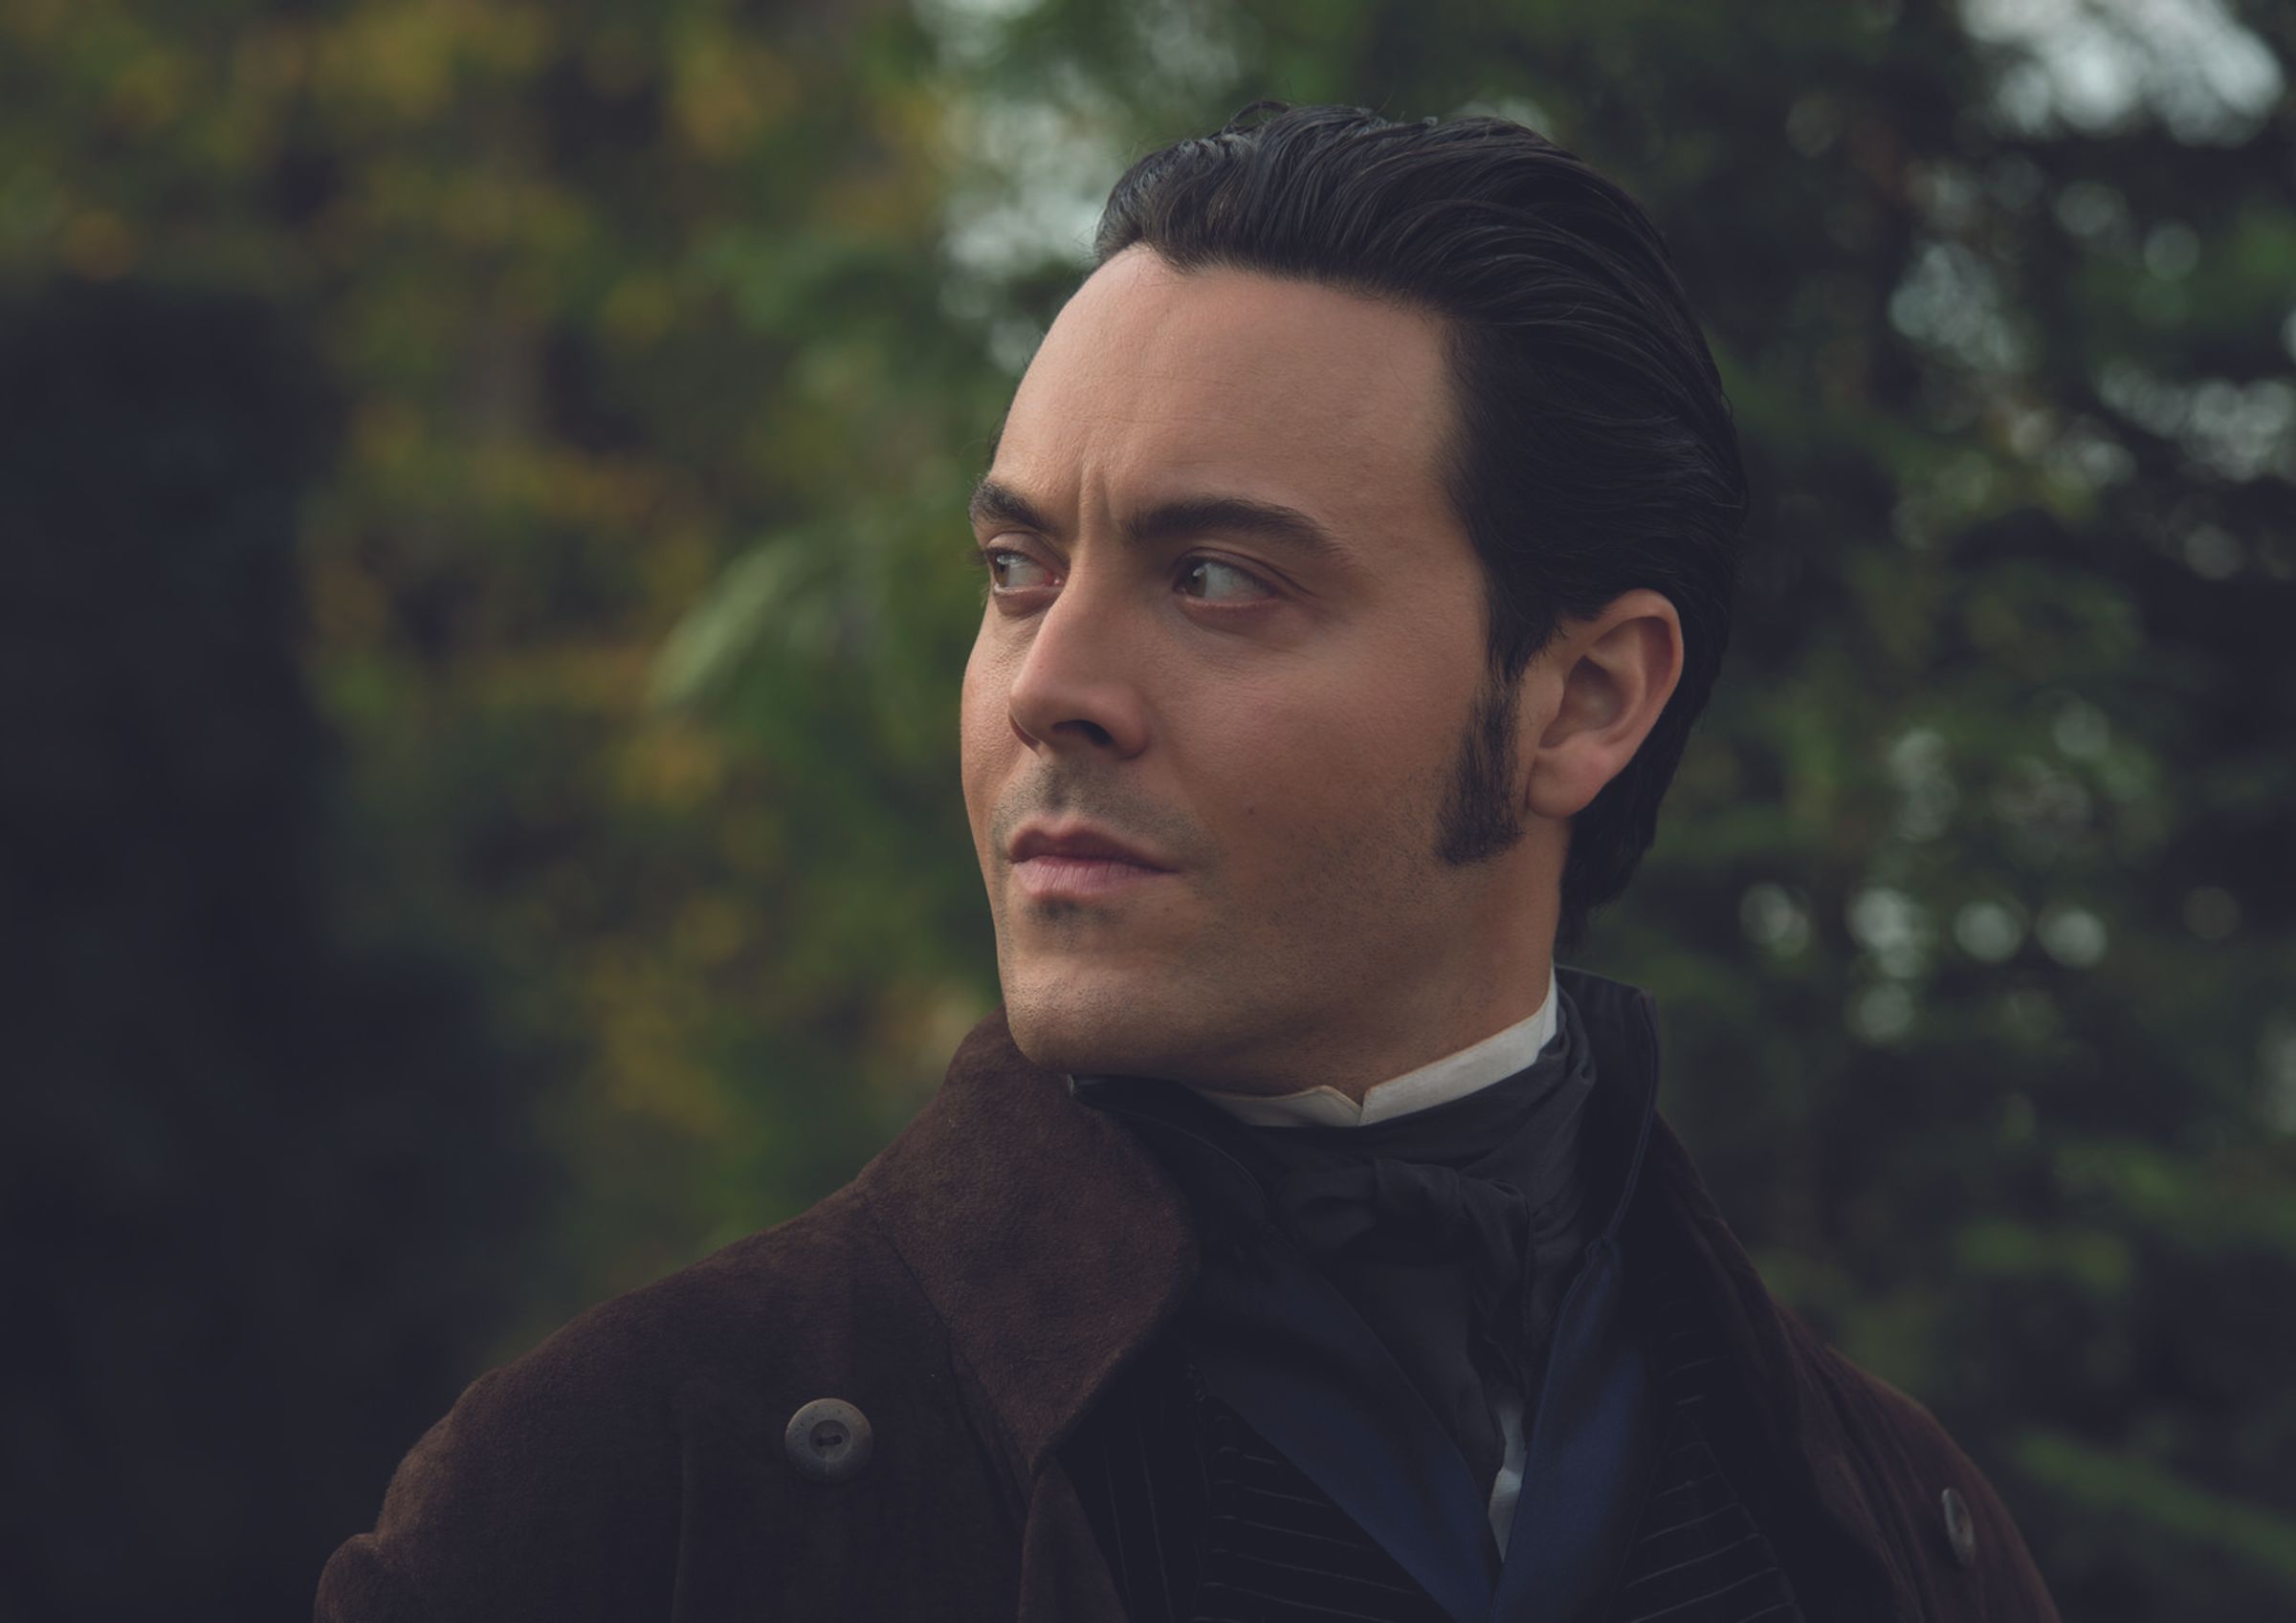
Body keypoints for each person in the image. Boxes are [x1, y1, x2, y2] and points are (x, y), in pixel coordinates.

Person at [318, 100, 2060, 1622]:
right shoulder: (619, 1504)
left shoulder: (1909, 1537)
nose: (1048, 686)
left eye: (1217, 580)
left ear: (1582, 700)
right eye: (1017, 571)